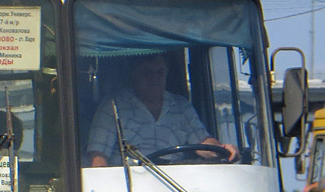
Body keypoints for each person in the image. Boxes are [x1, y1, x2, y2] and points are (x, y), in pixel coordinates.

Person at [86, 52, 238, 166]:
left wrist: (223, 150)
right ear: (133, 75)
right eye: (147, 73)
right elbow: (98, 157)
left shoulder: (181, 106)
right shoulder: (112, 106)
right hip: (129, 191)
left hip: (178, 186)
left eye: (160, 72)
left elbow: (203, 143)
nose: (155, 78)